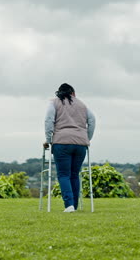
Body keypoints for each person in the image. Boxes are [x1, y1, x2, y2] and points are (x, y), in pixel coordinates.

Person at [44, 83, 96, 213]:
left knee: (63, 175)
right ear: (73, 93)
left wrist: (49, 140)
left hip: (61, 142)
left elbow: (49, 121)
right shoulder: (82, 105)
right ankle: (75, 205)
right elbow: (92, 120)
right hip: (80, 144)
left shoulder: (54, 103)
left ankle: (69, 205)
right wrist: (87, 138)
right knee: (74, 174)